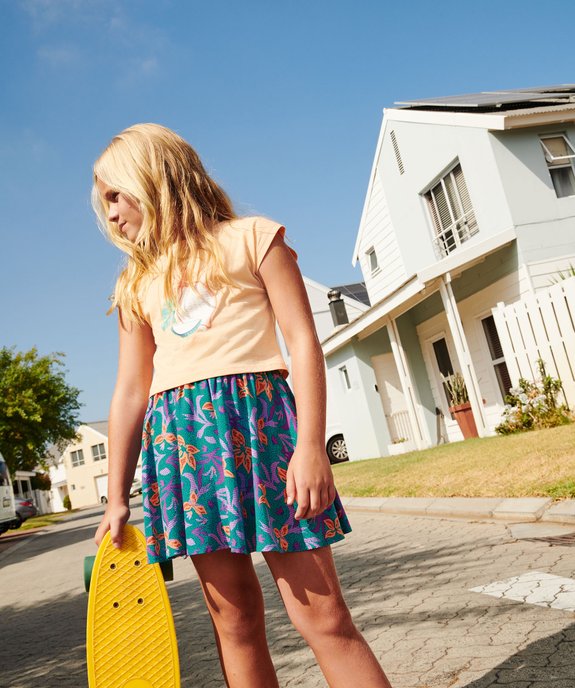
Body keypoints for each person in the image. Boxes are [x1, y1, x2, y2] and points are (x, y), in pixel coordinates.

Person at [92, 123, 393, 688]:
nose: (109, 214)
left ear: (151, 178)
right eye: (102, 201)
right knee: (234, 623)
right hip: (186, 456)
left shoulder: (254, 238)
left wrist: (311, 448)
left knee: (324, 618)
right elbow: (131, 390)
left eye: (114, 194)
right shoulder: (134, 283)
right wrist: (115, 497)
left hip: (269, 440)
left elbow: (303, 341)